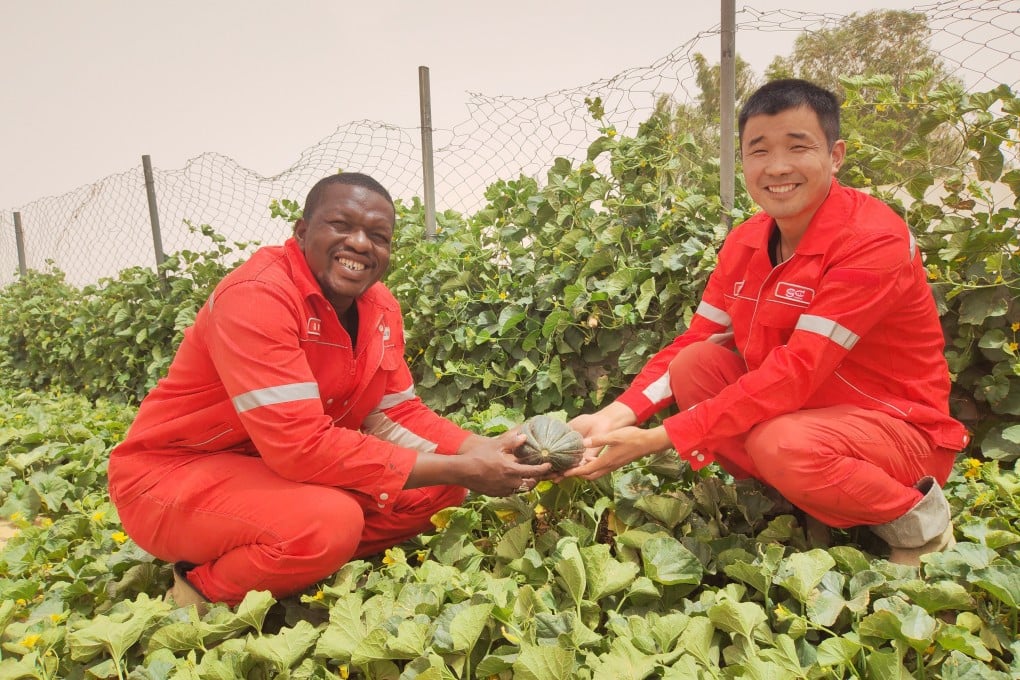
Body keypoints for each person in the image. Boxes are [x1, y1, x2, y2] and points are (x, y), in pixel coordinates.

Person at [564, 79, 969, 566]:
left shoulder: (872, 239)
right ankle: (797, 499)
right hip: (803, 417)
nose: (777, 167)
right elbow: (695, 341)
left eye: (798, 147)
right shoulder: (746, 241)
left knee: (780, 443)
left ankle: (919, 526)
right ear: (742, 161)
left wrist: (659, 438)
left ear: (835, 155)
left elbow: (798, 371)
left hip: (899, 433)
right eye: (759, 151)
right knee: (697, 365)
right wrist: (614, 416)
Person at [108, 172, 550, 609]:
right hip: (171, 478)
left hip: (276, 475)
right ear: (302, 232)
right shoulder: (257, 295)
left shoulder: (381, 308)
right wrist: (463, 468)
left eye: (378, 236)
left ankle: (297, 554)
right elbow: (299, 447)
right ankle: (201, 591)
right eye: (342, 225)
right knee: (330, 521)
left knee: (439, 491)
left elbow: (397, 413)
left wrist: (482, 449)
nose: (360, 244)